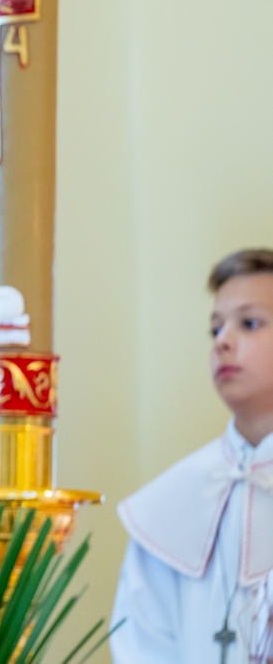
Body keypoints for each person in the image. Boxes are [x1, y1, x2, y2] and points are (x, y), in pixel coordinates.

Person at [112, 248, 273, 663]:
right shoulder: (169, 504)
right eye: (216, 329)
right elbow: (139, 645)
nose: (223, 341)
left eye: (250, 323)